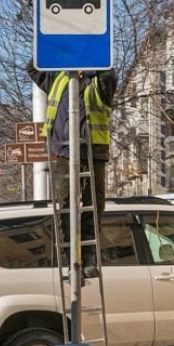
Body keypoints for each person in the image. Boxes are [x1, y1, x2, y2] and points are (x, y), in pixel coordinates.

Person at [27, 62, 118, 275]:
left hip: (92, 152)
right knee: (66, 207)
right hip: (63, 153)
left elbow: (108, 68)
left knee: (93, 205)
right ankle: (70, 261)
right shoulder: (58, 77)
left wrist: (91, 63)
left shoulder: (100, 79)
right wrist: (56, 41)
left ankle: (88, 259)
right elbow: (33, 66)